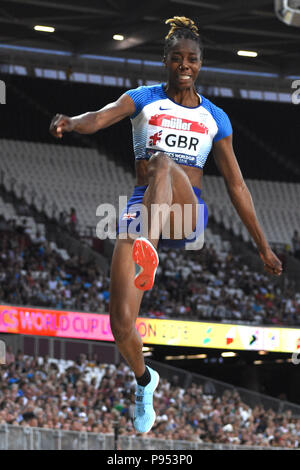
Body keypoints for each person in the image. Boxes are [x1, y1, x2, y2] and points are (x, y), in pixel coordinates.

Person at [49, 16, 282, 434]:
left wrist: (262, 246)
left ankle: (149, 250)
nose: (184, 65)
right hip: (142, 210)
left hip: (186, 213)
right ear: (165, 61)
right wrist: (71, 121)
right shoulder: (142, 98)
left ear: (201, 63)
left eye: (192, 59)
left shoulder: (215, 118)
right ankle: (144, 381)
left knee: (162, 162)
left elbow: (237, 185)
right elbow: (99, 117)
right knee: (119, 324)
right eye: (177, 59)